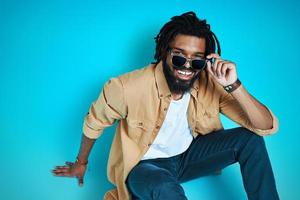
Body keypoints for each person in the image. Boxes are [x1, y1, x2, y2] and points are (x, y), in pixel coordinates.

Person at [52, 11, 280, 200]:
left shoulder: (209, 82)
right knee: (165, 189)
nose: (187, 67)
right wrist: (80, 163)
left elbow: (265, 126)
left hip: (189, 158)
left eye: (197, 61)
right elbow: (94, 122)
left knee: (250, 140)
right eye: (179, 57)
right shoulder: (126, 87)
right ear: (164, 52)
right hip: (146, 168)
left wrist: (234, 85)